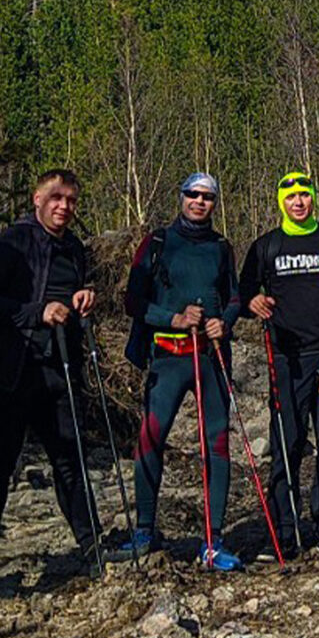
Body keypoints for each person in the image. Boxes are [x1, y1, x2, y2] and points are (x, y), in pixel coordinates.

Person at [0, 169, 99, 589]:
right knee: (0, 461)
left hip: (57, 368)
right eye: (56, 198)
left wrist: (82, 298)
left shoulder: (74, 248)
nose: (64, 207)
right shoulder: (10, 244)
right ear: (36, 199)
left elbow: (73, 292)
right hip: (11, 370)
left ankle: (92, 547)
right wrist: (36, 311)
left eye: (71, 200)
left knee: (69, 459)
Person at [113, 173, 244, 571]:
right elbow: (132, 301)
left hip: (210, 357)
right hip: (167, 357)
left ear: (214, 204)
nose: (199, 202)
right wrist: (173, 317)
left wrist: (226, 321)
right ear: (181, 197)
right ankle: (144, 530)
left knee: (217, 445)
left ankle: (214, 540)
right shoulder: (156, 243)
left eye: (207, 197)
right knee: (150, 439)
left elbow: (235, 296)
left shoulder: (222, 247)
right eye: (193, 194)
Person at [238, 170, 319, 558]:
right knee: (287, 443)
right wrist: (251, 303)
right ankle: (285, 530)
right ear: (281, 202)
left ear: (313, 198)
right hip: (286, 359)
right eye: (291, 197)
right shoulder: (266, 246)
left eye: (304, 195)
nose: (299, 202)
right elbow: (241, 295)